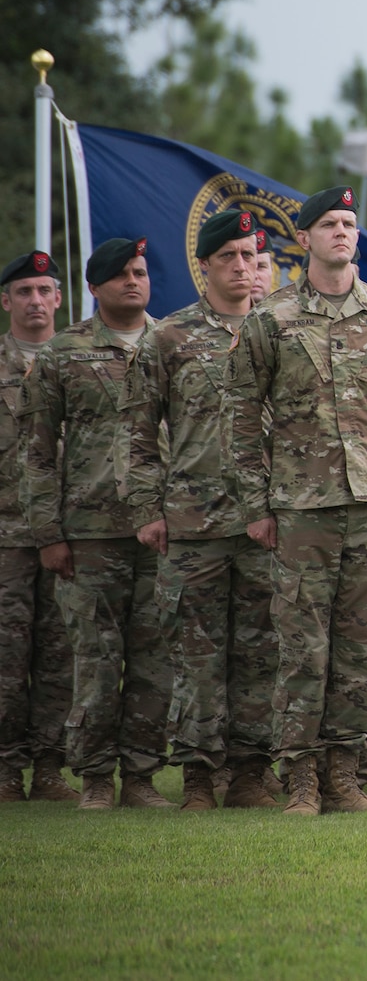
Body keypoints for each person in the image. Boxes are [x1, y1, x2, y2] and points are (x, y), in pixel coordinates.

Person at [228, 187, 367, 815]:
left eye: (350, 223)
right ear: (304, 238)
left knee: (363, 650)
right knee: (303, 647)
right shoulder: (272, 318)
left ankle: (345, 774)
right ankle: (302, 779)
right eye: (330, 224)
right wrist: (257, 506)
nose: (342, 232)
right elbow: (238, 417)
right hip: (302, 507)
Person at [125, 212, 280, 809]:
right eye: (229, 257)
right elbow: (136, 431)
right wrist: (147, 507)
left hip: (266, 521)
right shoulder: (168, 337)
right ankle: (197, 777)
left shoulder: (280, 330)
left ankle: (248, 775)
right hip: (193, 523)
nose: (242, 267)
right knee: (195, 656)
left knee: (263, 654)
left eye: (250, 255)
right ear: (205, 266)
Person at [25, 239, 169, 809]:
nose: (133, 281)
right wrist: (48, 534)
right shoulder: (63, 354)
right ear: (93, 287)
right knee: (95, 659)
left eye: (140, 271)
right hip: (89, 531)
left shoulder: (173, 343)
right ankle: (92, 779)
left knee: (155, 663)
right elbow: (36, 452)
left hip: (159, 529)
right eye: (120, 275)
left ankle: (139, 778)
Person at [0, 251, 76, 802]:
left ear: (58, 298)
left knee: (59, 654)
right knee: (5, 653)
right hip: (4, 533)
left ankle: (49, 767)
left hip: (68, 532)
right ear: (7, 301)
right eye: (23, 291)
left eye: (43, 290)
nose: (34, 300)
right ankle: (4, 768)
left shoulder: (77, 360)